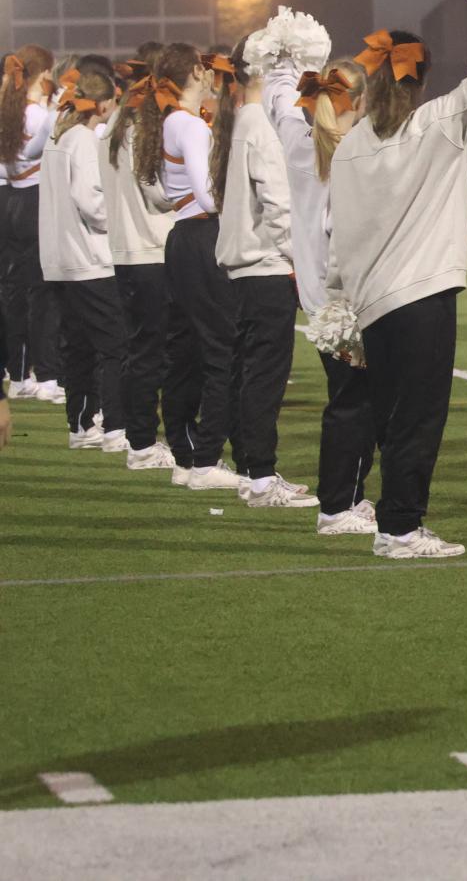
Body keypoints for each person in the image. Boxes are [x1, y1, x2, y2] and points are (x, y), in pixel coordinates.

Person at [328, 11, 467, 559]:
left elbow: (340, 235)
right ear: (420, 78)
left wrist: (340, 296)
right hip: (421, 296)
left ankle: (394, 521)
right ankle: (401, 529)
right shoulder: (434, 124)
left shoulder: (351, 147)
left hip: (370, 306)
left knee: (390, 417)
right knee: (418, 418)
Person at [273, 57, 378, 533]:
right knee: (357, 404)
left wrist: (282, 64)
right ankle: (338, 504)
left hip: (315, 294)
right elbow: (342, 228)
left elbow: (278, 101)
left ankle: (347, 498)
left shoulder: (298, 142)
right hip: (347, 297)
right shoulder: (351, 153)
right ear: (357, 101)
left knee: (347, 399)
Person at [215, 36, 319, 508]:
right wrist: (301, 262)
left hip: (245, 269)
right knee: (264, 376)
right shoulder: (262, 122)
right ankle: (260, 475)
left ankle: (250, 469)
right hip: (266, 268)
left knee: (245, 372)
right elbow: (278, 204)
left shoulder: (242, 117)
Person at [137, 45, 242, 490]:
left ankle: (185, 456)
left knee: (184, 352)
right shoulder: (190, 124)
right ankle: (206, 459)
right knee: (221, 350)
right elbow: (206, 196)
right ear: (196, 71)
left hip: (180, 240)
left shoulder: (168, 122)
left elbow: (165, 194)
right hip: (202, 236)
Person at [39, 67, 126, 452]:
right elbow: (92, 201)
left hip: (59, 261)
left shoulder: (57, 138)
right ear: (104, 103)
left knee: (78, 346)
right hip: (90, 260)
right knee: (115, 346)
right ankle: (115, 428)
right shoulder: (85, 141)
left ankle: (81, 424)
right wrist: (121, 221)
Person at [102, 46, 179, 470]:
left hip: (125, 252)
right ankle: (143, 442)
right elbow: (158, 193)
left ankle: (140, 437)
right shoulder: (141, 128)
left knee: (139, 349)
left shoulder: (115, 123)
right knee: (152, 353)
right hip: (152, 250)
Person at [0, 45, 61, 400]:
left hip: (12, 202)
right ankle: (48, 375)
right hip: (36, 201)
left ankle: (21, 374)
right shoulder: (38, 114)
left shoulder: (9, 108)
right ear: (44, 75)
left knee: (15, 292)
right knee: (43, 294)